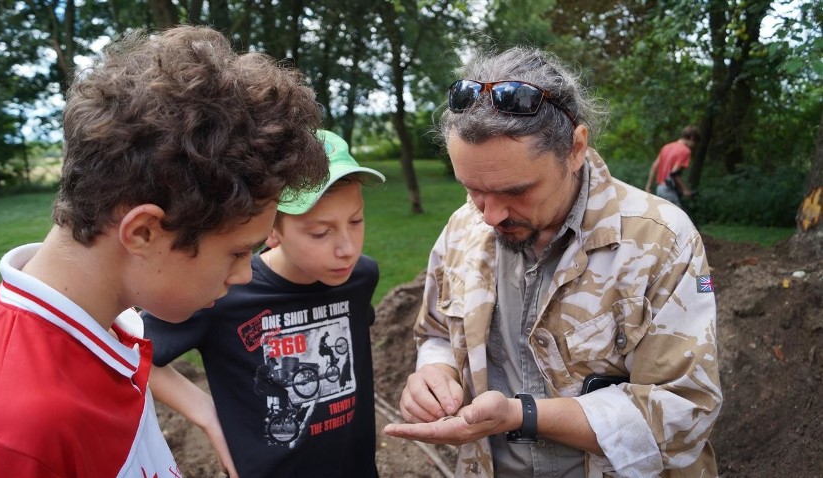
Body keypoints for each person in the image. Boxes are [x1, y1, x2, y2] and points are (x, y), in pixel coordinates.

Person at [0, 25, 327, 477]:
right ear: (142, 233)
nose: (244, 274)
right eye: (238, 252)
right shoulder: (13, 437)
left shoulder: (103, 324)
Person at [383, 47, 722, 477]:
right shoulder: (462, 227)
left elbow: (685, 416)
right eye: (472, 189)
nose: (489, 216)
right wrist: (435, 370)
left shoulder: (661, 241)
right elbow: (435, 331)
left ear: (575, 149)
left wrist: (522, 415)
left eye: (516, 191)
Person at [142, 129, 385, 478]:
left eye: (356, 220)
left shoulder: (361, 278)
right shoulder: (224, 291)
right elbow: (129, 349)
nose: (347, 247)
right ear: (271, 230)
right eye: (320, 232)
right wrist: (207, 414)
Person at [645, 125, 701, 207]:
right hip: (669, 190)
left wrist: (648, 186)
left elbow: (654, 166)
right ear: (692, 138)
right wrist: (685, 190)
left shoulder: (666, 147)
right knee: (678, 218)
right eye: (695, 143)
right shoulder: (685, 151)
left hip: (659, 189)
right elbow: (674, 173)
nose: (694, 146)